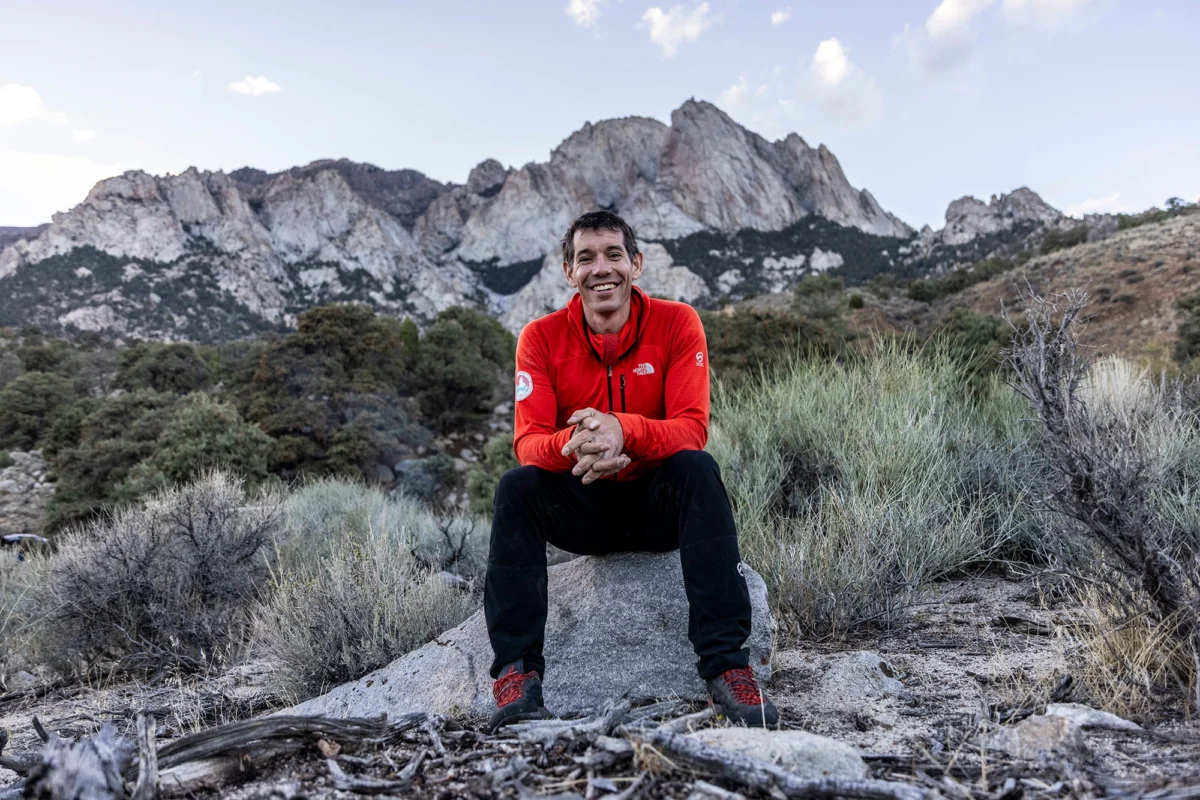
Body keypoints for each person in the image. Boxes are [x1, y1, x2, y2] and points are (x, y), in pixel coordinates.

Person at [483, 210, 779, 730]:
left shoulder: (678, 322)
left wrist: (626, 432)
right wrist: (579, 444)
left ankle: (728, 669)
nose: (602, 269)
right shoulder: (540, 337)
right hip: (583, 507)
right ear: (568, 272)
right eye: (586, 258)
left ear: (636, 264)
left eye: (614, 254)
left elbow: (691, 428)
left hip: (655, 508)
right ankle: (516, 677)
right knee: (517, 487)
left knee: (698, 468)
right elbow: (528, 443)